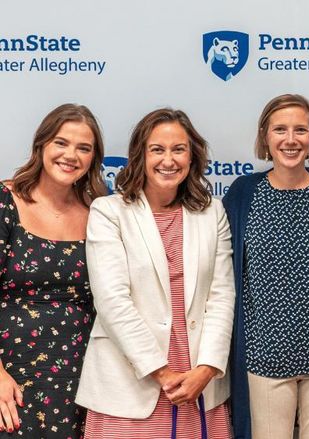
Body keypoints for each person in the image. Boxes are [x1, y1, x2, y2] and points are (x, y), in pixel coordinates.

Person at [75, 109, 235, 438]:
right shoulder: (109, 212)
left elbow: (221, 296)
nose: (169, 160)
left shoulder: (212, 213)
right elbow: (111, 300)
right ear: (140, 156)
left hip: (198, 385)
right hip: (130, 383)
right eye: (157, 150)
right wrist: (161, 373)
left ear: (192, 157)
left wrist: (205, 370)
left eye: (179, 149)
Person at [222, 94, 309, 439]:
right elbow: (223, 273)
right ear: (265, 137)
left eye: (301, 129)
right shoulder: (243, 193)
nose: (291, 139)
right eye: (280, 129)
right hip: (263, 361)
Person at [0, 104, 106, 437]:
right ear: (42, 145)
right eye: (61, 142)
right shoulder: (6, 201)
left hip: (81, 378)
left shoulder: (100, 213)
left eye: (83, 148)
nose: (70, 155)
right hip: (11, 378)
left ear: (93, 158)